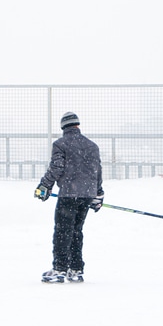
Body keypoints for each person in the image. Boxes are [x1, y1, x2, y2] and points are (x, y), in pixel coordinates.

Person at [34, 112, 103, 283]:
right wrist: (98, 194)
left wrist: (44, 186)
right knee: (76, 231)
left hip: (69, 195)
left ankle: (60, 269)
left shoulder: (60, 144)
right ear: (77, 125)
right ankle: (76, 269)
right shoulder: (92, 146)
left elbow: (57, 168)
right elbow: (97, 171)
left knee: (63, 231)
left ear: (63, 127)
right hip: (87, 194)